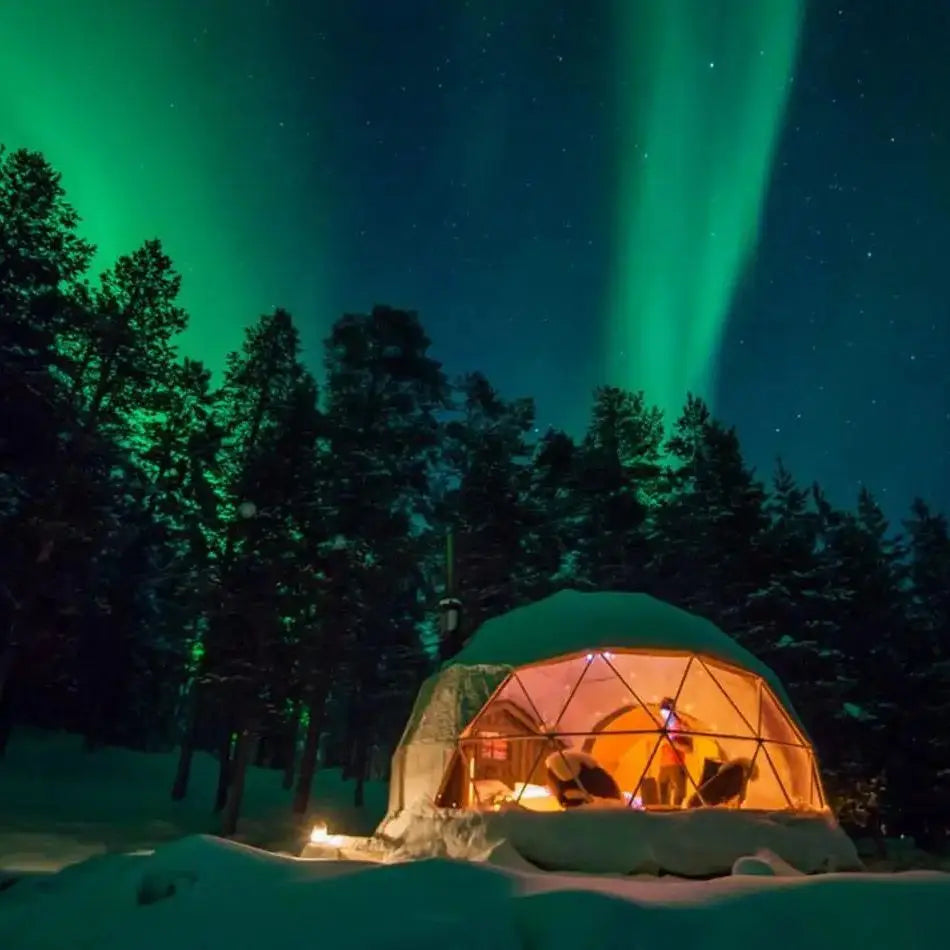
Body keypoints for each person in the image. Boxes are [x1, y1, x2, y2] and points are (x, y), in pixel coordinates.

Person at [657, 697, 692, 806]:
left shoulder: (682, 726)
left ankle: (675, 813)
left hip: (677, 765)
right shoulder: (663, 724)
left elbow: (689, 749)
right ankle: (664, 816)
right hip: (664, 766)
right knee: (662, 796)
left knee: (679, 795)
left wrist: (672, 742)